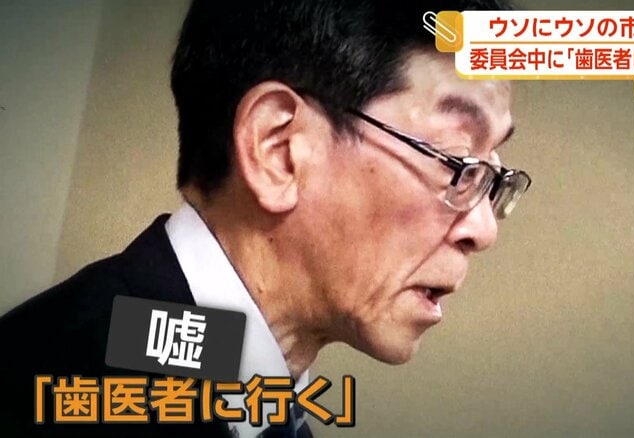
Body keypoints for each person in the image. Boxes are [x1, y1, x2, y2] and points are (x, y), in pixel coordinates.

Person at [0, 0, 530, 436]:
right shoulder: (48, 387)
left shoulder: (250, 393)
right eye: (458, 163)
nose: (483, 230)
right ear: (278, 150)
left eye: (493, 178)